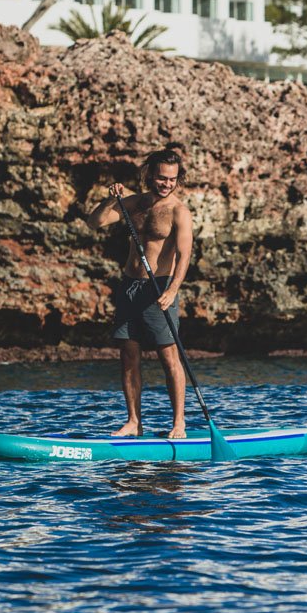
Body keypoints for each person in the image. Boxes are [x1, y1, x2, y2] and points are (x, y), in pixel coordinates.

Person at [87, 147, 193, 438]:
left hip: (159, 289)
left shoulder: (179, 212)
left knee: (169, 357)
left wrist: (173, 290)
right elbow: (93, 222)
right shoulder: (133, 203)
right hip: (129, 287)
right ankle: (134, 421)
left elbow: (185, 255)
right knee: (128, 355)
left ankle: (179, 423)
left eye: (172, 179)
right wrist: (111, 199)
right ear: (150, 175)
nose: (166, 184)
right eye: (161, 178)